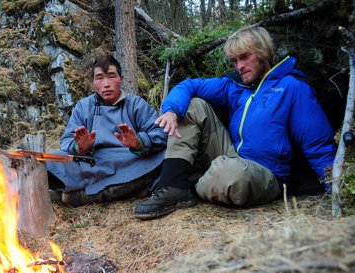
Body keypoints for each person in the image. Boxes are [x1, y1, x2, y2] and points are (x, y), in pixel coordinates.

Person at [134, 25, 337, 219]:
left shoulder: (291, 87)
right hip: (231, 156)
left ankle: (192, 187)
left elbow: (317, 144)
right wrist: (171, 111)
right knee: (192, 105)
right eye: (234, 60)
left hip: (265, 173)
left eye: (244, 57)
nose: (239, 66)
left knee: (230, 173)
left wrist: (336, 187)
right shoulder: (235, 86)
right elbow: (189, 85)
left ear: (263, 51)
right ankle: (173, 187)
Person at [47, 54, 167, 206]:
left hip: (127, 162)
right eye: (99, 78)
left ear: (121, 79)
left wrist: (139, 142)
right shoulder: (84, 106)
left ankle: (84, 196)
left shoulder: (136, 104)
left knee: (165, 155)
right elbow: (66, 141)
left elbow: (160, 134)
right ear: (93, 82)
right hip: (93, 162)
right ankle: (137, 188)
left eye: (111, 76)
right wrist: (79, 147)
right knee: (50, 158)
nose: (106, 84)